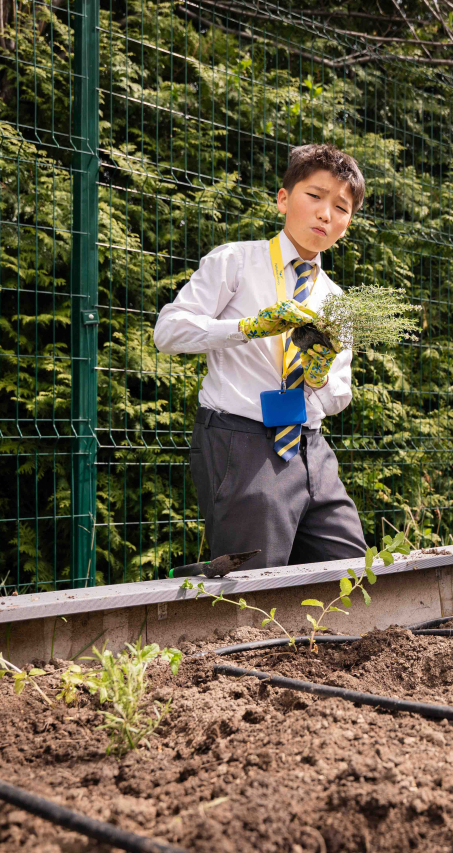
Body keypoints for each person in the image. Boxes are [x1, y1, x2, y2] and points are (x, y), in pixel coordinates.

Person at [153, 143, 367, 567]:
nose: (326, 213)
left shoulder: (337, 301)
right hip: (241, 440)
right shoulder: (235, 262)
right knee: (254, 578)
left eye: (341, 207)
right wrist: (246, 328)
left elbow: (338, 397)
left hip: (311, 446)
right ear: (283, 199)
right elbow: (168, 331)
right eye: (315, 196)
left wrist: (320, 376)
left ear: (347, 225)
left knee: (349, 569)